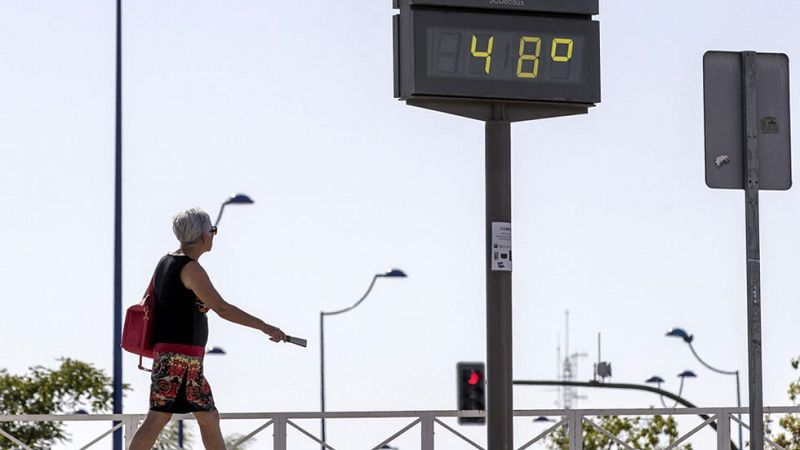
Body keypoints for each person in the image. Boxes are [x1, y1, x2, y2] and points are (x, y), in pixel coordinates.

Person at [129, 207, 286, 450]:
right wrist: (265, 327)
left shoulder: (166, 262)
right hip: (178, 357)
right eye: (213, 231)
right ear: (204, 236)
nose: (213, 236)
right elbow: (223, 308)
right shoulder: (190, 268)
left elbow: (166, 301)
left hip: (186, 358)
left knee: (208, 418)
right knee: (158, 417)